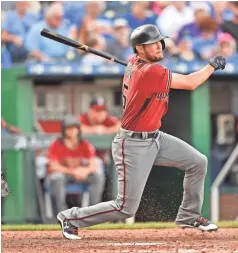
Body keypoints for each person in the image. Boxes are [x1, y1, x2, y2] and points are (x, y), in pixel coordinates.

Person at [57, 24, 226, 240]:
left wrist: (137, 62)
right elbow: (191, 83)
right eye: (151, 44)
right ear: (139, 49)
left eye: (159, 42)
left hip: (155, 138)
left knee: (197, 162)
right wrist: (211, 65)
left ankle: (189, 215)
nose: (158, 46)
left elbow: (139, 66)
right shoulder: (150, 71)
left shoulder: (136, 64)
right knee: (125, 208)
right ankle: (71, 218)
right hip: (133, 144)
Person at [47, 115, 105, 216]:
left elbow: (94, 164)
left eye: (74, 128)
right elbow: (52, 166)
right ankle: (62, 215)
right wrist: (73, 171)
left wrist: (85, 171)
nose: (72, 131)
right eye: (69, 128)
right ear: (64, 130)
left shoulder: (85, 144)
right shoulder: (56, 144)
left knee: (97, 176)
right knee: (57, 177)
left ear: (78, 130)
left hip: (81, 174)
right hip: (65, 175)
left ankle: (93, 213)